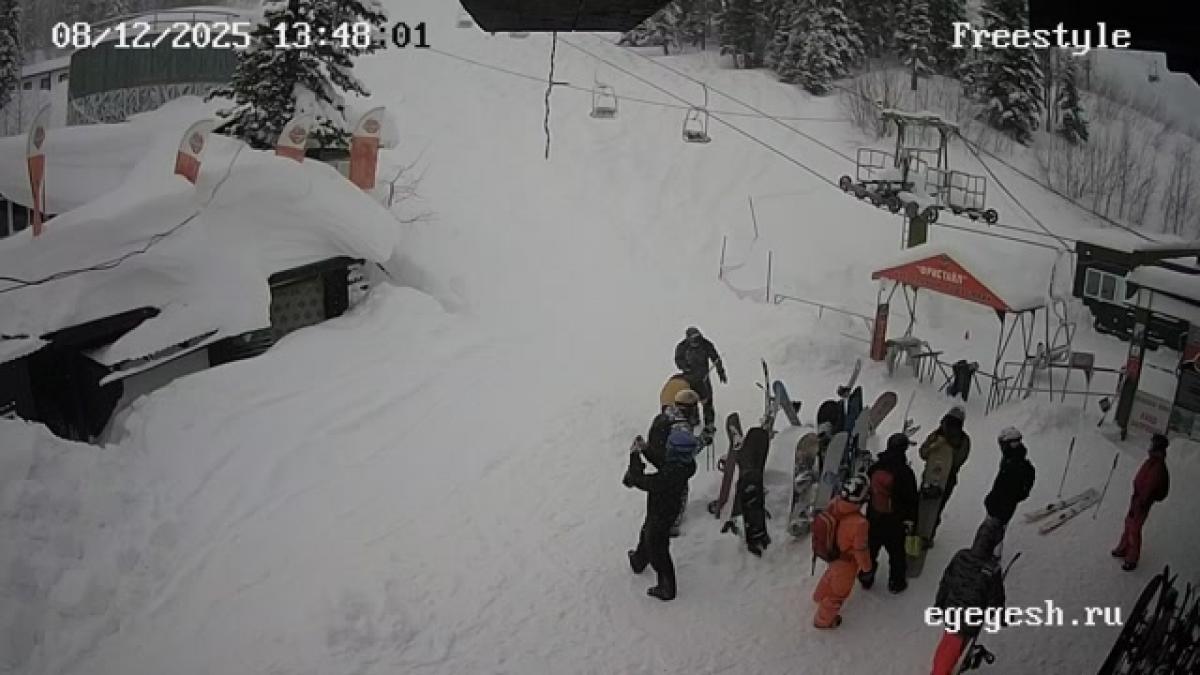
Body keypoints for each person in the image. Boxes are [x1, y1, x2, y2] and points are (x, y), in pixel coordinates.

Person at [624, 428, 698, 601]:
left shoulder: (670, 476)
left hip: (663, 513)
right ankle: (639, 560)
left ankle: (667, 587)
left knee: (657, 548)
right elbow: (663, 461)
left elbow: (643, 481)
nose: (667, 449)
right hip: (663, 510)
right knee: (647, 533)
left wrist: (634, 458)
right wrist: (645, 449)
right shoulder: (684, 466)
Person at [929, 518, 1007, 675]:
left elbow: (946, 582)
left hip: (951, 609)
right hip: (971, 617)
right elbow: (996, 597)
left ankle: (940, 669)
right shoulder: (991, 569)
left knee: (949, 640)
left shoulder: (961, 556)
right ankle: (944, 671)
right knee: (957, 645)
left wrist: (938, 605)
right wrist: (999, 616)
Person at [862, 433, 919, 593]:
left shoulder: (875, 467)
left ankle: (866, 578)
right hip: (894, 521)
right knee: (897, 553)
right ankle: (896, 583)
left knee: (870, 550)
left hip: (873, 517)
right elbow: (911, 499)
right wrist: (912, 520)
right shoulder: (905, 472)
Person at [812, 476, 872, 629]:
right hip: (846, 562)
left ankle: (819, 596)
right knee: (838, 594)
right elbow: (860, 550)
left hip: (831, 554)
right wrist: (866, 568)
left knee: (830, 575)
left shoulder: (835, 503)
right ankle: (823, 620)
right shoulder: (860, 523)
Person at [1111, 434, 1170, 571]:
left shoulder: (1157, 466)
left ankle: (1132, 558)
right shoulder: (1151, 461)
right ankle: (1123, 547)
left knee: (1134, 528)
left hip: (1142, 502)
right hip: (1137, 498)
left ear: (1157, 447)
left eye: (1152, 444)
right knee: (1128, 522)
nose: (1150, 446)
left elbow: (1149, 487)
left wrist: (1140, 502)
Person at [918, 405, 971, 544]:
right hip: (931, 475)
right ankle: (921, 533)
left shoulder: (962, 440)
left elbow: (957, 461)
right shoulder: (937, 435)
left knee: (934, 506)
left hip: (946, 479)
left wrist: (946, 448)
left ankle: (927, 534)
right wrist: (934, 447)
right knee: (925, 505)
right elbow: (923, 453)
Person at [982, 427, 1036, 553]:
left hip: (1000, 511)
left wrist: (1004, 502)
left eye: (1002, 444)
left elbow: (1018, 491)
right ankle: (990, 554)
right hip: (996, 507)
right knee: (991, 535)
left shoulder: (1018, 465)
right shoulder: (1009, 459)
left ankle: (989, 557)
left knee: (989, 537)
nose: (1001, 447)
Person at [674, 326, 726, 432]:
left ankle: (709, 423)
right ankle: (693, 419)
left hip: (703, 378)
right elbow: (678, 359)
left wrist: (721, 371)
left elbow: (715, 358)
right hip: (689, 379)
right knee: (690, 400)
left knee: (707, 401)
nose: (696, 342)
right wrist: (685, 367)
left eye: (698, 338)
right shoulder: (682, 347)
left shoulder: (706, 344)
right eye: (693, 340)